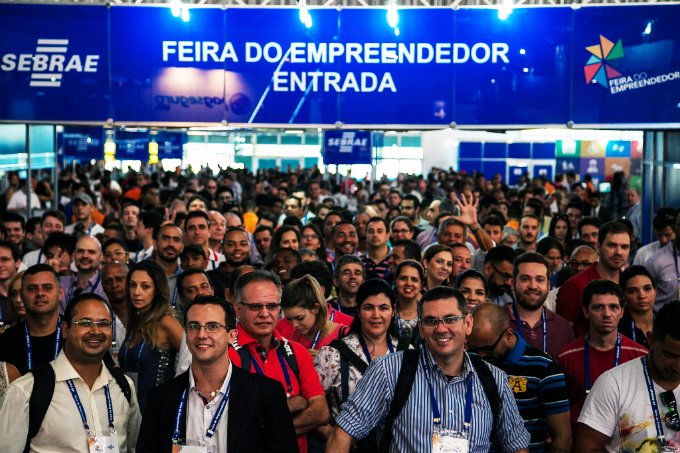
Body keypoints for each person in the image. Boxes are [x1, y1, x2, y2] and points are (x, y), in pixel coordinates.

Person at [326, 286, 530, 452]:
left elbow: (517, 446)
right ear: (421, 329)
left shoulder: (494, 379)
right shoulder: (389, 370)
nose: (441, 328)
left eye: (450, 319)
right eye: (431, 321)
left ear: (468, 323)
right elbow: (342, 433)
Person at [137, 295, 298, 453]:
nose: (201, 334)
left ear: (232, 335)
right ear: (186, 335)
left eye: (212, 326)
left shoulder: (265, 394)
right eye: (194, 326)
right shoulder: (161, 398)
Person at [0, 293, 142, 453]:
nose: (96, 331)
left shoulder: (123, 386)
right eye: (85, 323)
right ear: (66, 330)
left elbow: (133, 446)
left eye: (103, 323)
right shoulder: (27, 391)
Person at [228, 270, 329, 453]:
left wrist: (266, 430)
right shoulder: (225, 355)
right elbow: (234, 424)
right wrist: (297, 403)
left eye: (272, 306)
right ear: (237, 309)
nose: (265, 314)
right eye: (255, 307)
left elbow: (321, 412)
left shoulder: (297, 352)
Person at [575, 301, 680, 452]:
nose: (677, 366)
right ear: (650, 339)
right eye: (670, 355)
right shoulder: (613, 384)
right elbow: (587, 448)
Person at [468, 304, 572, 453]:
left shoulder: (544, 367)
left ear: (508, 335)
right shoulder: (471, 360)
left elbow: (562, 437)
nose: (481, 355)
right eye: (474, 348)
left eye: (487, 349)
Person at [314, 279, 401, 440]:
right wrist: (333, 436)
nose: (376, 315)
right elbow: (312, 405)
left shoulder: (407, 353)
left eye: (383, 308)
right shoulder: (332, 354)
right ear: (358, 311)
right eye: (369, 308)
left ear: (393, 311)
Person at [557, 279, 648, 426]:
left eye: (613, 307)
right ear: (586, 311)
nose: (607, 314)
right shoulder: (566, 357)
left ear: (622, 311)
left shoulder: (641, 356)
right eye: (599, 307)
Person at [118, 260, 183, 411]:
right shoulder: (135, 322)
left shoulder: (166, 322)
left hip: (158, 411)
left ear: (157, 290)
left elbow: (192, 357)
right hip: (129, 410)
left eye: (145, 286)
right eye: (132, 285)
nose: (136, 292)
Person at [557, 221, 632, 337]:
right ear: (598, 247)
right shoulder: (576, 285)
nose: (619, 252)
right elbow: (562, 333)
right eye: (611, 245)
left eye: (624, 247)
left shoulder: (629, 283)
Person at [506, 252, 575, 359]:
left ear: (548, 286)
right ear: (512, 284)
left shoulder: (563, 328)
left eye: (539, 280)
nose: (533, 286)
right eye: (525, 279)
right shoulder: (496, 322)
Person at [0, 264, 64, 375]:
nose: (40, 293)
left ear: (60, 293)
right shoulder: (5, 341)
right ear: (22, 295)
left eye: (47, 288)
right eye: (32, 289)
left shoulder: (76, 334)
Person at [281, 275, 345, 359]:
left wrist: (325, 360)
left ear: (316, 308)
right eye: (289, 319)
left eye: (300, 318)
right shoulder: (295, 336)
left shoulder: (344, 334)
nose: (294, 325)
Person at [59, 236, 108, 314]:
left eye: (91, 252)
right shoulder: (61, 284)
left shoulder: (108, 287)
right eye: (80, 251)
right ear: (73, 255)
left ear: (101, 256)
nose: (85, 256)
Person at [618, 265, 656, 350]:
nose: (642, 296)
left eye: (647, 289)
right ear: (623, 295)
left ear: (655, 291)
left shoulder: (668, 322)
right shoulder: (617, 329)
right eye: (632, 291)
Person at [392, 260, 424, 348]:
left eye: (414, 279)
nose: (409, 283)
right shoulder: (386, 312)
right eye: (403, 278)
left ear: (421, 285)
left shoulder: (428, 314)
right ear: (395, 281)